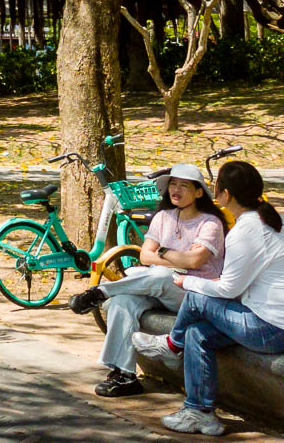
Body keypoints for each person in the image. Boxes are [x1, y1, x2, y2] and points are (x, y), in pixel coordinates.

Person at [132, 161, 284, 437]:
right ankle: (200, 413)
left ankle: (171, 345)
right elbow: (235, 283)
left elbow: (228, 290)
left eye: (216, 185)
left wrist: (188, 281)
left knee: (194, 297)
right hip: (272, 323)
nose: (213, 188)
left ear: (226, 193)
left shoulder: (246, 231)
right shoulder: (257, 223)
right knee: (197, 332)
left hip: (278, 331)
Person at [69, 163, 228, 398]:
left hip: (194, 295)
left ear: (198, 192)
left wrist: (162, 253)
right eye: (172, 184)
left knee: (162, 275)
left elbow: (194, 262)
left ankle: (101, 292)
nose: (176, 189)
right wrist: (176, 257)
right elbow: (144, 255)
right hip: (159, 288)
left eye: (184, 185)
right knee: (123, 301)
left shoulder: (210, 223)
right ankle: (124, 374)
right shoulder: (163, 217)